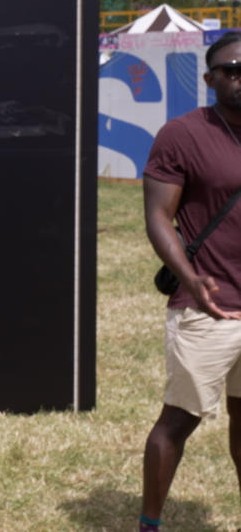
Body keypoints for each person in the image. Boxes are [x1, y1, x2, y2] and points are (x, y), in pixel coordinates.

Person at [139, 30, 241, 532]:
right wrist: (190, 277)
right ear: (210, 78)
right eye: (233, 69)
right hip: (209, 305)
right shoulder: (183, 134)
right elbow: (159, 217)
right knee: (178, 421)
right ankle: (149, 524)